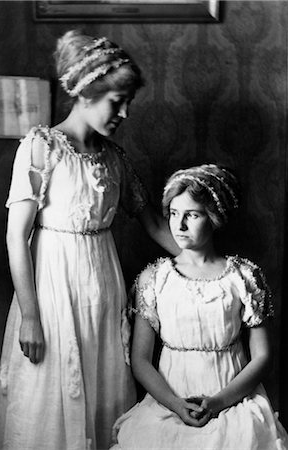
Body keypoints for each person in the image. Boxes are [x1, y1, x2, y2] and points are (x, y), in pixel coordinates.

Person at [0, 30, 179, 450]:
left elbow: (152, 223)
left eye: (128, 101)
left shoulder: (115, 157)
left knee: (104, 389)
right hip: (53, 290)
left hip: (103, 288)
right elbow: (15, 237)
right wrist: (30, 316)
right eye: (117, 101)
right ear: (86, 93)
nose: (125, 113)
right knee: (50, 396)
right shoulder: (42, 147)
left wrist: (208, 263)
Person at [111, 164, 288, 450]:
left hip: (232, 398)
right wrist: (176, 405)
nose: (179, 225)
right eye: (173, 214)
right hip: (169, 400)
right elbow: (141, 361)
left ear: (215, 218)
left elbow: (263, 356)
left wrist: (219, 402)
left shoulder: (243, 277)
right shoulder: (154, 279)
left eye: (191, 215)